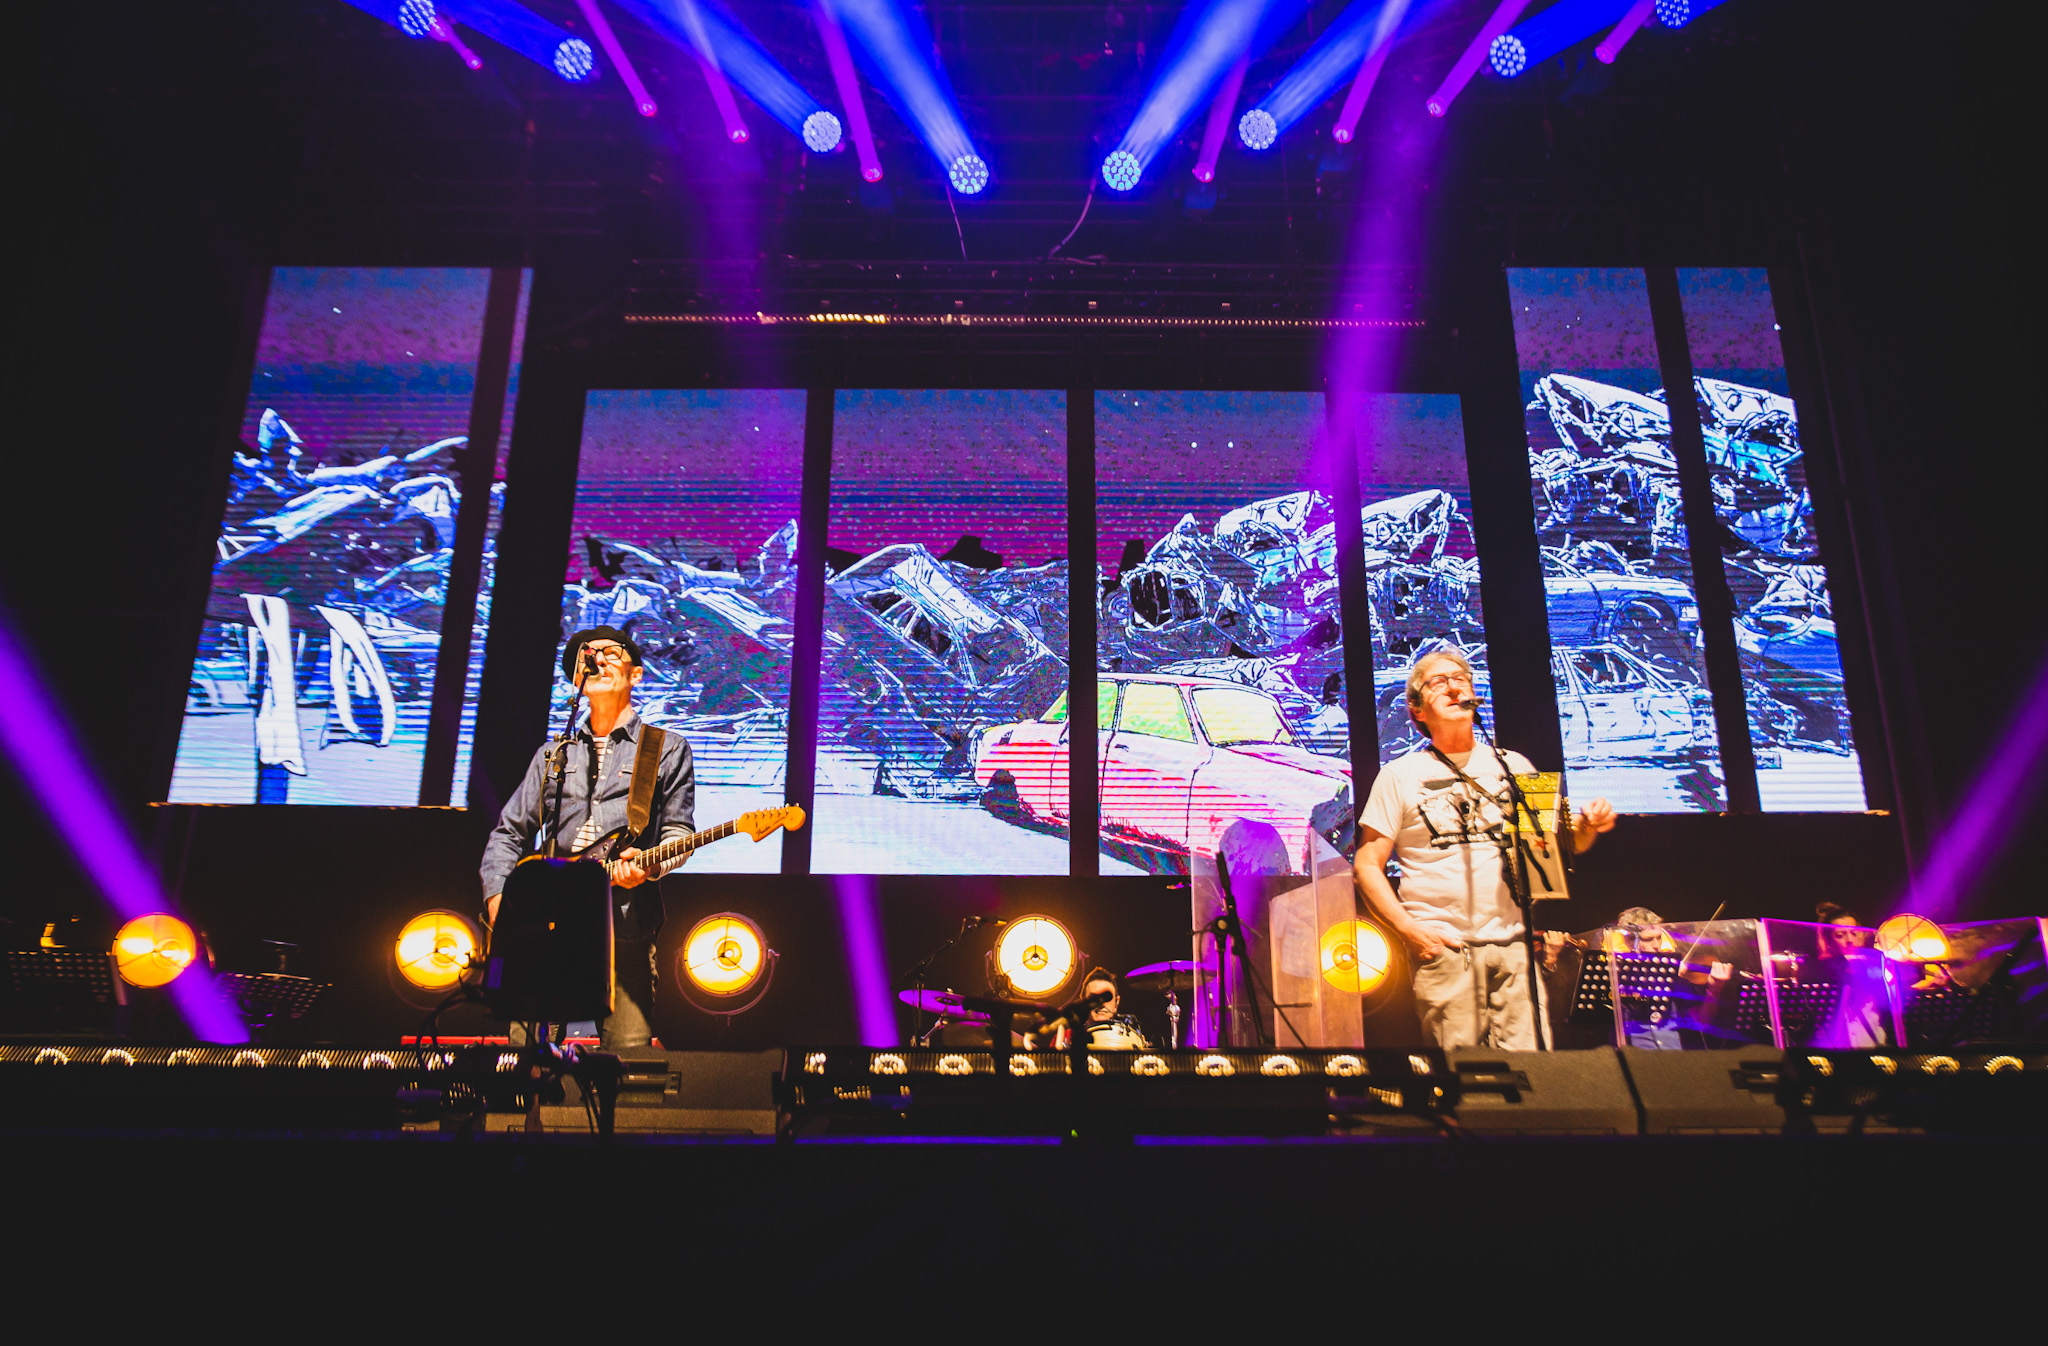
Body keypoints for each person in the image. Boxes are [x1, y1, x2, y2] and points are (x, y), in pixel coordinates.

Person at [1353, 647, 1617, 1050]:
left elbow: (1554, 851)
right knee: (1465, 1076)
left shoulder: (1515, 766)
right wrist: (1410, 932)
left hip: (1515, 949)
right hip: (1446, 949)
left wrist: (1586, 828)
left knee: (1533, 1073)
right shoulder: (1399, 775)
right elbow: (1367, 863)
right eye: (1439, 682)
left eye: (1461, 678)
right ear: (1416, 709)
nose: (1453, 687)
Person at [480, 625, 695, 1050]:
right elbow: (509, 832)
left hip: (624, 924)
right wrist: (498, 900)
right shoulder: (553, 754)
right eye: (587, 655)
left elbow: (678, 832)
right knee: (528, 1058)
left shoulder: (666, 749)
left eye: (611, 652)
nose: (597, 658)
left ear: (636, 674)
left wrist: (650, 866)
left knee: (627, 1059)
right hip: (545, 926)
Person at [1051, 968, 1150, 1050]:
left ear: (1117, 1002)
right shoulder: (1066, 1036)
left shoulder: (1134, 1037)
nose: (1101, 1004)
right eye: (1095, 998)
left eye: (1107, 998)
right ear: (1084, 1002)